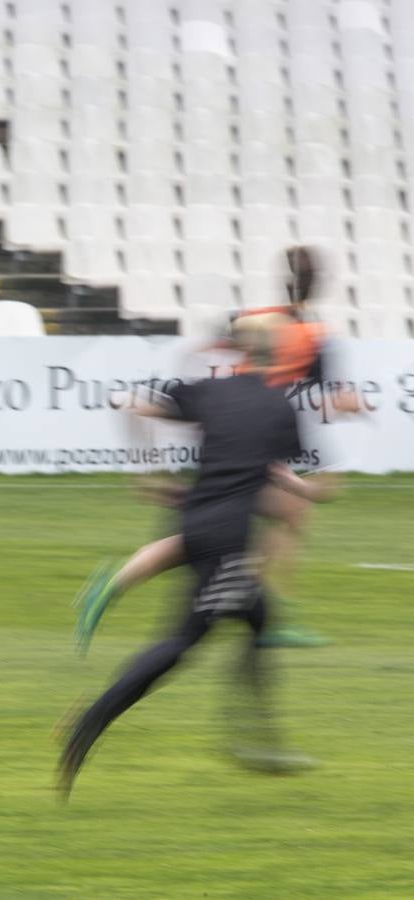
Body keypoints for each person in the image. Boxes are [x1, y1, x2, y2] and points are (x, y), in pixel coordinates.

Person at [58, 312, 336, 800]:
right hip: (228, 540)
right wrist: (310, 490)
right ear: (281, 360)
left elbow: (127, 405)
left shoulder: (210, 391)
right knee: (181, 643)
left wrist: (149, 470)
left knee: (260, 619)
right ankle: (89, 721)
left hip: (193, 525)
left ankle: (257, 741)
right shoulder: (279, 408)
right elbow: (293, 482)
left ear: (239, 354)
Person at [73, 246, 352, 651]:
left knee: (198, 538)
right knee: (283, 514)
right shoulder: (312, 334)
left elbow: (197, 352)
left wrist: (207, 394)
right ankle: (267, 614)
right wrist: (349, 406)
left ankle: (113, 584)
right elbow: (332, 399)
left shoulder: (257, 319)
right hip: (254, 434)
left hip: (225, 428)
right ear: (320, 284)